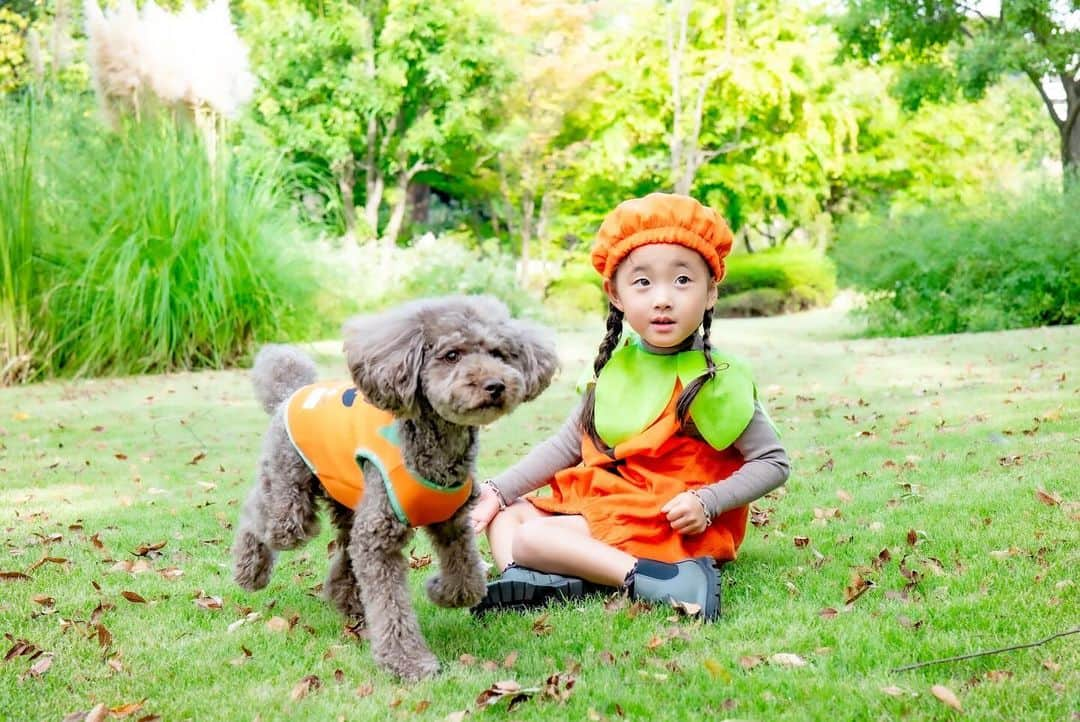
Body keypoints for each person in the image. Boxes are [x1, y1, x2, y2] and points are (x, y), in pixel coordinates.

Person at [470, 193, 790, 621]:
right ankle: (536, 579)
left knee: (529, 540)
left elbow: (773, 461)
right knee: (507, 515)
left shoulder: (718, 377)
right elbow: (566, 445)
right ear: (615, 294)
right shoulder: (615, 368)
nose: (663, 299)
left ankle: (666, 581)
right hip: (620, 499)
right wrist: (495, 489)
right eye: (643, 282)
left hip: (671, 516)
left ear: (711, 292)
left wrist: (709, 502)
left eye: (682, 281)